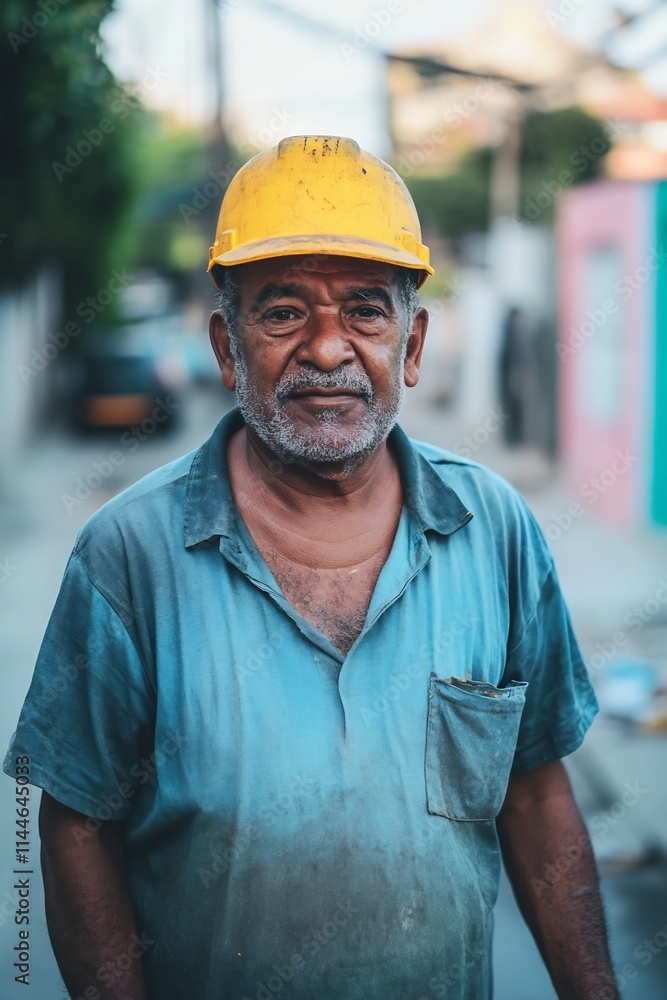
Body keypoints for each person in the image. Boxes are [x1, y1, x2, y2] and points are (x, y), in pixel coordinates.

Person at [5, 135, 619, 1000]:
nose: (326, 349)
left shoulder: (495, 531)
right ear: (227, 348)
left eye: (365, 310)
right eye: (283, 311)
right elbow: (73, 827)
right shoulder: (126, 557)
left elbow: (536, 793)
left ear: (412, 346)